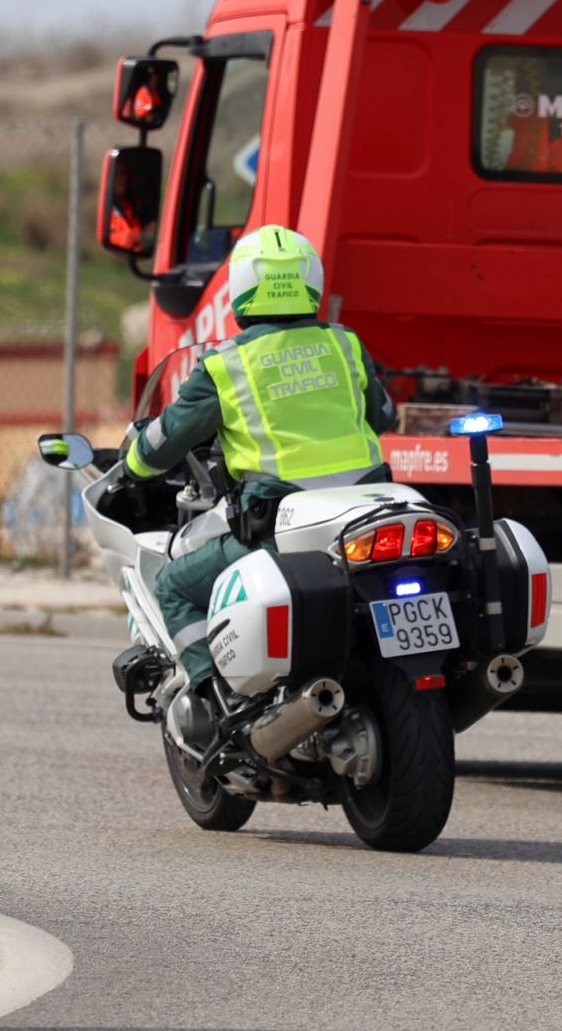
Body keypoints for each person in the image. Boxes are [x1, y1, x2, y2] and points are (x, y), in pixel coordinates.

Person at [125, 224, 398, 742]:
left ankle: (211, 703)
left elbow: (164, 443)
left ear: (240, 288)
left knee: (174, 588)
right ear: (311, 283)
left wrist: (131, 464)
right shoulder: (344, 345)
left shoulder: (227, 363)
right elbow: (384, 414)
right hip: (369, 515)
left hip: (281, 527)